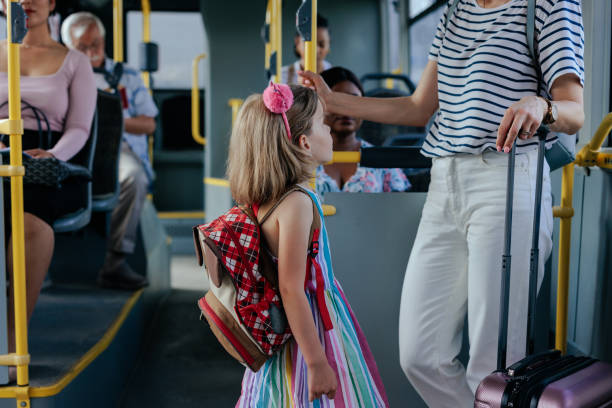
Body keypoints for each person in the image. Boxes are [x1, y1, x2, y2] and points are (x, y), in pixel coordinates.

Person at [301, 0, 584, 405]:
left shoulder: (549, 5)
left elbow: (575, 111)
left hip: (505, 178)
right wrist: (333, 101)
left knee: (493, 365)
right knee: (420, 355)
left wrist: (542, 105)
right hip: (445, 180)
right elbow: (419, 107)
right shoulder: (456, 10)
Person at [228, 83, 389, 407]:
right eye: (322, 123)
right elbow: (291, 288)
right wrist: (316, 363)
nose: (329, 130)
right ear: (303, 143)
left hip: (286, 333)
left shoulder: (269, 200)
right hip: (309, 333)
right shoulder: (298, 203)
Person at [0, 0, 97, 379]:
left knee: (29, 224)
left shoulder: (74, 62)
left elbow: (79, 129)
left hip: (47, 164)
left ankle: (12, 338)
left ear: (52, 3)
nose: (27, 1)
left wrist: (50, 157)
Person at [61, 12, 158, 290]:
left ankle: (115, 261)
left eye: (97, 44)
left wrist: (113, 121)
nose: (92, 52)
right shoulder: (62, 75)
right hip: (71, 148)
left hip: (116, 150)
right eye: (83, 47)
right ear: (68, 47)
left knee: (134, 178)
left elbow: (149, 123)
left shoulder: (126, 75)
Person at [316, 66, 410, 194]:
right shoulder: (302, 159)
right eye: (338, 101)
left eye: (355, 101)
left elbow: (400, 207)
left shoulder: (381, 160)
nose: (347, 110)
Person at [280, 13, 331, 85]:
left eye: (321, 44)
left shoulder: (337, 77)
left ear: (328, 46)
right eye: (309, 44)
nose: (315, 50)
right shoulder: (281, 77)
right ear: (297, 42)